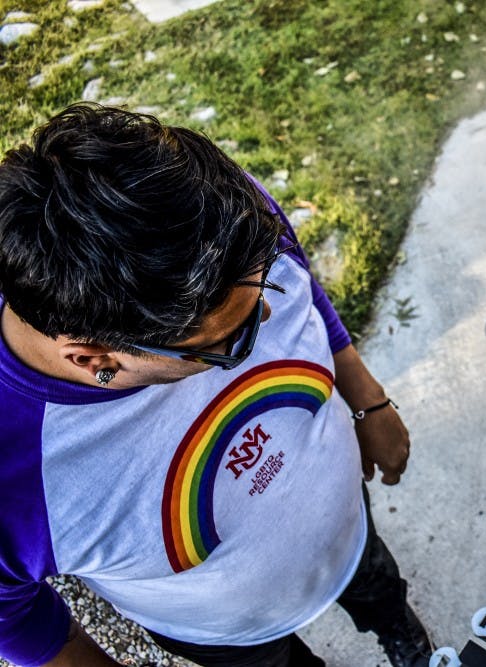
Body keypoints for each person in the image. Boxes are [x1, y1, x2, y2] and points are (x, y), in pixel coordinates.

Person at [0, 103, 434, 667]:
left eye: (263, 289)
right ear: (94, 358)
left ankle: (400, 632)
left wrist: (368, 398)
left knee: (379, 588)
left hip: (348, 527)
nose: (273, 320)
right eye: (234, 339)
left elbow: (298, 288)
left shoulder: (221, 220)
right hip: (233, 637)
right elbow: (18, 620)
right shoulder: (12, 477)